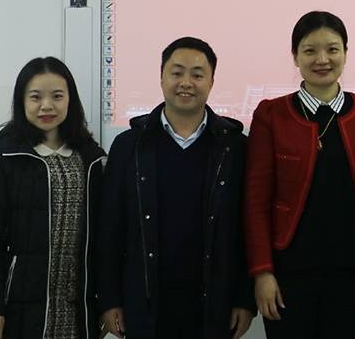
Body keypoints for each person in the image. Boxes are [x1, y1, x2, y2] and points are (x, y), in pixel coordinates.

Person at [96, 37, 254, 339]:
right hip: (144, 301)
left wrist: (245, 299)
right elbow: (110, 228)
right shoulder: (129, 145)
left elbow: (246, 229)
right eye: (177, 72)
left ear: (212, 81)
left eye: (197, 74)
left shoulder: (235, 147)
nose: (186, 83)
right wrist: (109, 299)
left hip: (214, 303)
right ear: (161, 77)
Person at [244, 11, 355, 339]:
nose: (322, 60)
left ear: (346, 53)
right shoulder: (272, 113)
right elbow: (256, 202)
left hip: (352, 272)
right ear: (295, 57)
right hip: (288, 272)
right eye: (310, 50)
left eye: (332, 49)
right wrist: (262, 272)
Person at [0, 56, 106, 339]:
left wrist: (106, 303)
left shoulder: (92, 159)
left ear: (70, 100)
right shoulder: (5, 158)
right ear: (21, 102)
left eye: (57, 96)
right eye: (35, 97)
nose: (46, 106)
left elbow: (106, 242)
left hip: (77, 311)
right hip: (17, 308)